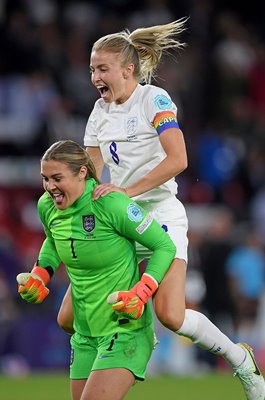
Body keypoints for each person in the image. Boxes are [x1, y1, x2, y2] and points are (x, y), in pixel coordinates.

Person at [58, 19, 265, 399]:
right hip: (118, 221)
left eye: (102, 68)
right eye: (91, 69)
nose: (94, 77)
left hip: (158, 215)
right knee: (68, 317)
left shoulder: (154, 99)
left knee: (171, 314)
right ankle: (129, 337)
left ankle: (240, 359)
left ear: (128, 69)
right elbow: (92, 173)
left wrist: (125, 190)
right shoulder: (99, 112)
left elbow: (179, 158)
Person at [16, 140, 176, 400]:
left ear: (82, 172)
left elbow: (164, 246)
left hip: (124, 329)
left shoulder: (110, 204)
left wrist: (143, 291)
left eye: (57, 178)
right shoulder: (47, 205)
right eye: (45, 178)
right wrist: (40, 275)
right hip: (84, 334)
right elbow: (54, 242)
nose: (50, 187)